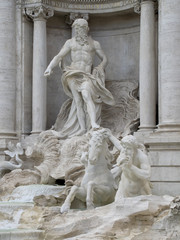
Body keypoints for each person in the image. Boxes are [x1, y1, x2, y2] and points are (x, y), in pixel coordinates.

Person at [44, 18, 115, 138]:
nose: (79, 30)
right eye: (77, 28)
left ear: (87, 29)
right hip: (72, 74)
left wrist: (100, 67)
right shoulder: (70, 43)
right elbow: (59, 56)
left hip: (86, 75)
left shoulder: (94, 44)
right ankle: (82, 128)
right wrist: (49, 67)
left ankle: (93, 124)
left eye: (82, 28)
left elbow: (105, 58)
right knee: (77, 101)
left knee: (87, 96)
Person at [114, 135, 152, 200]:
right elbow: (118, 164)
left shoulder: (142, 157)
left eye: (128, 148)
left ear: (134, 149)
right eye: (124, 147)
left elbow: (147, 175)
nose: (125, 150)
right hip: (123, 189)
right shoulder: (123, 153)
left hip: (140, 190)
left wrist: (131, 167)